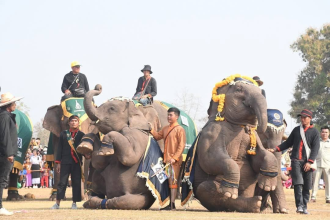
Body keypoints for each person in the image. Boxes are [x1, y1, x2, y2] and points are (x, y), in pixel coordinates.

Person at [268, 109, 320, 214]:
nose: (302, 119)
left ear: (310, 118)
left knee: (306, 185)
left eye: (305, 117)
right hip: (296, 160)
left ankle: (304, 206)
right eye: (301, 117)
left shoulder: (315, 132)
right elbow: (287, 143)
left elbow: (315, 148)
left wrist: (309, 162)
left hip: (308, 162)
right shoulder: (296, 130)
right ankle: (299, 206)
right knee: (298, 184)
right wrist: (275, 149)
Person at [150, 107, 186, 210]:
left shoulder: (180, 129)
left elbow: (181, 145)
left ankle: (172, 205)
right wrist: (150, 129)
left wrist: (174, 158)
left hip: (174, 161)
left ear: (177, 117)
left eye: (171, 115)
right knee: (167, 182)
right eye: (168, 115)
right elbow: (157, 136)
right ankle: (169, 203)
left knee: (173, 182)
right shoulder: (165, 128)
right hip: (166, 160)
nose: (168, 117)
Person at [51, 115, 85, 209]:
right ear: (69, 123)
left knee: (76, 182)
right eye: (72, 121)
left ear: (78, 123)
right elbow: (60, 149)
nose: (74, 122)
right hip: (65, 161)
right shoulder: (63, 134)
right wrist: (58, 163)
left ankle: (74, 203)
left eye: (75, 121)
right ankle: (57, 203)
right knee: (62, 182)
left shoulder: (82, 135)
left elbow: (84, 149)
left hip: (76, 162)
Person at [0, 92, 22, 216]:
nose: (15, 104)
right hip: (4, 154)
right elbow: (5, 136)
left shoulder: (6, 116)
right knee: (2, 180)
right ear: (8, 105)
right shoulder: (4, 116)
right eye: (14, 102)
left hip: (5, 153)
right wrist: (9, 153)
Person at [311, 126, 330, 203]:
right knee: (315, 182)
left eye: (326, 132)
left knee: (328, 182)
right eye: (323, 132)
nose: (324, 134)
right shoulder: (316, 142)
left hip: (328, 165)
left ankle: (328, 198)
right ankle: (313, 197)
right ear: (320, 133)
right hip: (317, 164)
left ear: (328, 133)